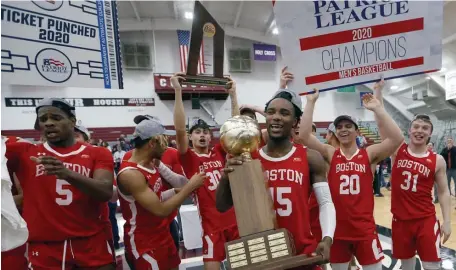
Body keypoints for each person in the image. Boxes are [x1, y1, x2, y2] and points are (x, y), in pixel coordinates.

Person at [216, 89, 336, 269]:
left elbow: (326, 202)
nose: (276, 117)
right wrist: (227, 176)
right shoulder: (248, 157)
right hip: (263, 257)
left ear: (295, 122)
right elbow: (221, 205)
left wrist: (327, 238)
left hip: (302, 254)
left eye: (284, 113)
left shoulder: (310, 157)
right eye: (271, 112)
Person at [299, 83, 404, 270]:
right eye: (339, 127)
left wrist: (378, 108)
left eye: (348, 126)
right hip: (338, 231)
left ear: (357, 131)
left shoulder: (369, 154)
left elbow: (397, 139)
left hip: (364, 231)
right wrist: (310, 102)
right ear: (335, 132)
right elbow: (304, 136)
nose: (343, 129)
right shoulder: (331, 154)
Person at [5, 98, 116, 269]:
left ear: (72, 122)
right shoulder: (24, 152)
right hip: (45, 247)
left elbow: (105, 192)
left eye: (56, 118)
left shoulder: (97, 153)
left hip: (91, 242)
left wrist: (67, 174)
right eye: (43, 119)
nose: (48, 123)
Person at [172, 72, 240, 269]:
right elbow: (178, 130)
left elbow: (236, 127)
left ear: (211, 137)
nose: (202, 136)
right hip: (212, 226)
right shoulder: (188, 158)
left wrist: (234, 95)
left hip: (235, 220)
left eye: (205, 133)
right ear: (190, 137)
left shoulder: (219, 151)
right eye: (197, 133)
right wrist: (178, 91)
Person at [117, 118, 206, 270]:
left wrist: (174, 191)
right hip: (145, 243)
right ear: (152, 143)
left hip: (162, 235)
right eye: (164, 140)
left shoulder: (152, 164)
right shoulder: (130, 174)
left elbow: (155, 198)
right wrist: (189, 187)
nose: (168, 145)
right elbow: (160, 210)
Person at [390, 115, 451, 270]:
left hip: (425, 221)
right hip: (400, 221)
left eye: (425, 128)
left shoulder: (437, 160)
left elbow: (444, 191)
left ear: (430, 133)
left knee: (432, 265)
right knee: (407, 265)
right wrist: (378, 96)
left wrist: (447, 221)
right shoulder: (397, 150)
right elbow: (384, 124)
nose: (419, 130)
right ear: (409, 130)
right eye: (416, 126)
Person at [74, 125, 121, 251]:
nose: (72, 140)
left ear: (87, 141)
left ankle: (115, 241)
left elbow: (113, 194)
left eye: (76, 136)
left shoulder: (99, 155)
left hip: (96, 227)